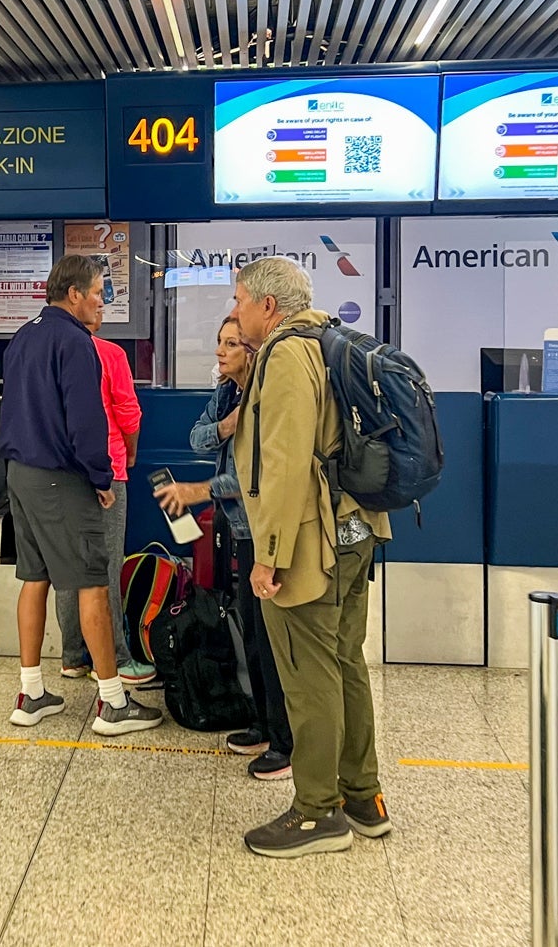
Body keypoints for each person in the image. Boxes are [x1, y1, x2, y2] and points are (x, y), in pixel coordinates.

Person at [230, 256, 392, 858]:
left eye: (240, 300)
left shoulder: (287, 354)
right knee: (345, 661)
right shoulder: (331, 341)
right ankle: (362, 795)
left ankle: (316, 812)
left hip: (313, 540)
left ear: (268, 306)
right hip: (356, 532)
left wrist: (269, 555)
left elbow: (287, 462)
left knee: (309, 673)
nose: (235, 311)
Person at [0, 254, 162, 736]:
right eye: (97, 292)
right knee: (93, 579)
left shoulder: (24, 335)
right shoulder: (76, 342)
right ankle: (113, 702)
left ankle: (31, 693)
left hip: (20, 473)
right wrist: (100, 478)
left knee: (34, 577)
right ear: (73, 294)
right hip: (62, 477)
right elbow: (86, 419)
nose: (101, 302)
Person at [156, 315, 293, 781]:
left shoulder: (267, 398)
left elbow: (256, 478)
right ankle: (262, 722)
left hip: (265, 528)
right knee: (251, 634)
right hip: (239, 528)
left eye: (231, 343)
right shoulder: (229, 396)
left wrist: (200, 491)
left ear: (252, 351)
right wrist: (226, 425)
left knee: (270, 638)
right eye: (218, 341)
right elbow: (197, 437)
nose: (220, 351)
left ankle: (285, 741)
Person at [55, 310, 156, 687]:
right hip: (107, 469)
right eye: (97, 299)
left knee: (66, 567)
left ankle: (71, 656)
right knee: (105, 566)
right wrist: (128, 454)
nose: (101, 307)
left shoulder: (52, 353)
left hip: (62, 473)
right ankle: (113, 658)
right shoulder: (110, 354)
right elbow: (128, 414)